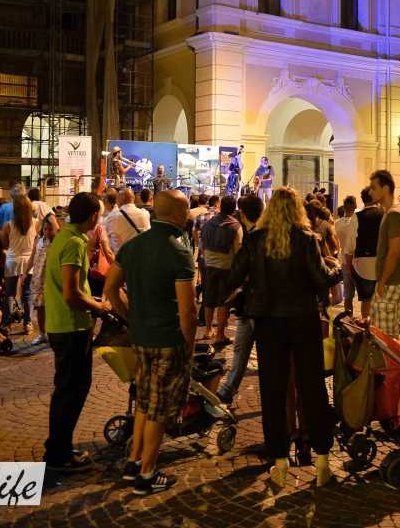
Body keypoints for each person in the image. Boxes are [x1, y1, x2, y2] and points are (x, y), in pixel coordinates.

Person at [225, 187, 341, 489]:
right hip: (303, 320)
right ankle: (322, 460)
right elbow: (321, 278)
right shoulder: (307, 239)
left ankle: (279, 460)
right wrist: (338, 268)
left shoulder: (255, 240)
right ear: (297, 210)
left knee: (273, 391)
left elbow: (232, 277)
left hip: (268, 323)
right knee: (312, 387)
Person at [104, 190, 197, 495]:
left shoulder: (133, 246)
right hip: (168, 339)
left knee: (144, 401)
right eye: (186, 211)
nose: (188, 216)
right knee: (159, 408)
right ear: (177, 214)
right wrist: (189, 344)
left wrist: (130, 317)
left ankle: (133, 462)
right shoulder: (178, 251)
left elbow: (111, 288)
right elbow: (188, 310)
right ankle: (147, 473)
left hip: (141, 337)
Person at [42, 192, 112, 472]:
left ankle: (59, 447)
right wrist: (99, 307)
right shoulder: (73, 243)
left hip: (63, 323)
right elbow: (71, 294)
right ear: (93, 216)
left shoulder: (65, 236)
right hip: (70, 326)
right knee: (71, 390)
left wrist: (91, 300)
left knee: (68, 389)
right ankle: (58, 453)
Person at [216, 193, 264, 405]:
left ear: (243, 214)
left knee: (244, 348)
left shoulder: (254, 237)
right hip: (253, 303)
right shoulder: (264, 235)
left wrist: (228, 288)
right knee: (241, 347)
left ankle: (229, 389)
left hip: (254, 303)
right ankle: (228, 389)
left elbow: (237, 273)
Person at [367, 170, 400, 338]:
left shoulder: (394, 213)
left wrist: (382, 281)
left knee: (385, 337)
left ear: (385, 188)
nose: (370, 192)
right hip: (391, 279)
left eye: (373, 187)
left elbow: (394, 252)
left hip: (392, 280)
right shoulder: (393, 211)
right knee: (384, 330)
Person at [199, 195, 243, 346]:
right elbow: (238, 250)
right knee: (224, 301)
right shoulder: (235, 226)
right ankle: (220, 335)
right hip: (226, 267)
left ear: (221, 206)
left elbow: (202, 245)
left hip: (208, 266)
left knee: (208, 299)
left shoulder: (208, 224)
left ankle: (208, 330)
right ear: (234, 208)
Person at [344, 188, 383, 312]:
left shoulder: (357, 217)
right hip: (381, 264)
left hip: (362, 265)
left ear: (363, 199)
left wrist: (348, 267)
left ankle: (366, 321)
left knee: (366, 299)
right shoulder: (385, 214)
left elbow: (350, 245)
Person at [3, 195, 37, 333]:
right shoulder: (36, 223)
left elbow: (5, 244)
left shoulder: (8, 225)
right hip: (29, 261)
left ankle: (7, 324)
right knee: (27, 294)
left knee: (9, 294)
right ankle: (27, 323)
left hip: (12, 261)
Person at [24, 213, 59, 346]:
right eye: (45, 229)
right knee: (39, 307)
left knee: (52, 307)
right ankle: (42, 333)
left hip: (52, 279)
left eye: (50, 229)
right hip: (38, 278)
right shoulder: (38, 239)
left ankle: (53, 333)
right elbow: (32, 257)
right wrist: (24, 273)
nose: (47, 232)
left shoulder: (58, 241)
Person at [103, 188, 151, 255]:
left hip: (120, 258)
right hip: (141, 256)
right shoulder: (145, 214)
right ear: (133, 199)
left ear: (119, 200)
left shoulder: (112, 217)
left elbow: (104, 238)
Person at [334, 195, 357, 313]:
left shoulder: (337, 223)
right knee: (365, 296)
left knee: (348, 294)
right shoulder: (356, 222)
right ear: (355, 205)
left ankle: (348, 318)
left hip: (343, 258)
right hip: (358, 260)